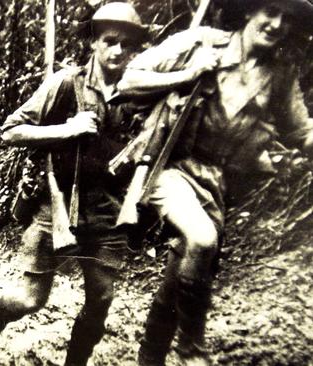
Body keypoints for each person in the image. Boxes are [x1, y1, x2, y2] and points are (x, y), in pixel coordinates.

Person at [115, 0, 313, 364]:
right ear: (251, 11)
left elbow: (303, 132)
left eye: (287, 18)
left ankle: (149, 358)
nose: (276, 24)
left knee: (181, 274)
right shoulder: (202, 43)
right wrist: (187, 74)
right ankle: (191, 347)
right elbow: (129, 80)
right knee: (201, 239)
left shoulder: (281, 74)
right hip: (170, 166)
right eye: (271, 11)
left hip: (218, 185)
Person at [0, 3, 149, 365]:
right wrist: (67, 129)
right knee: (30, 298)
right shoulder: (66, 83)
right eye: (110, 41)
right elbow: (11, 130)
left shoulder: (140, 92)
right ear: (94, 43)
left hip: (108, 212)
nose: (118, 51)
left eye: (127, 45)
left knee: (101, 301)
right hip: (57, 207)